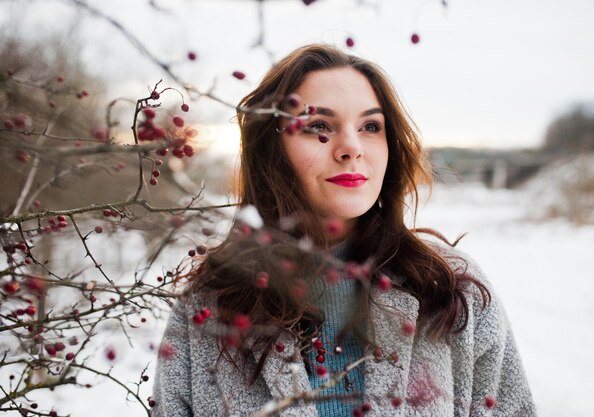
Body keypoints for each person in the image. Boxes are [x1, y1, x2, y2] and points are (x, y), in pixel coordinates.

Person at [152, 44, 536, 417]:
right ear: (271, 150)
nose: (351, 147)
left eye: (371, 126)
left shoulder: (451, 291)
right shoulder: (211, 306)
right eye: (319, 125)